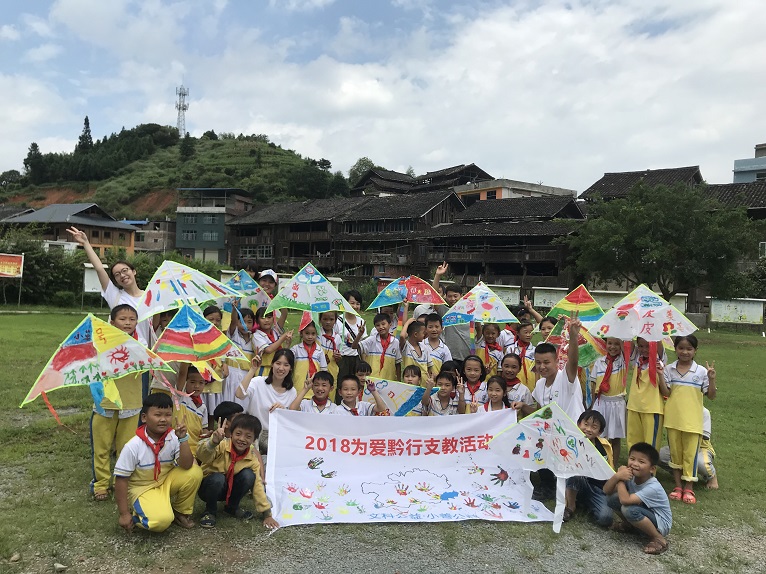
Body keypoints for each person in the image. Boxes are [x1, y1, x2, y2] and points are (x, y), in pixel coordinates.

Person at [113, 393, 203, 532]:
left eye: (168, 415)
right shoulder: (133, 445)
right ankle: (137, 514)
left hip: (164, 482)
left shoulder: (173, 437)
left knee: (195, 471)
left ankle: (179, 512)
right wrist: (124, 514)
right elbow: (121, 479)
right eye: (158, 415)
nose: (163, 419)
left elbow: (186, 465)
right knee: (161, 522)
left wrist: (183, 439)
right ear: (144, 417)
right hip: (142, 488)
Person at [523, 315, 584, 501]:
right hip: (552, 434)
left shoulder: (566, 378)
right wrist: (522, 406)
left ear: (557, 361)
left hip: (570, 434)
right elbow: (541, 414)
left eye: (546, 362)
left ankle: (569, 488)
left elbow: (573, 361)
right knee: (533, 438)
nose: (542, 366)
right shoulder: (540, 385)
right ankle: (548, 484)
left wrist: (573, 336)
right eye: (538, 362)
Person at [90, 304, 144, 501]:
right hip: (105, 403)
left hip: (131, 403)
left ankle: (120, 482)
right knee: (102, 448)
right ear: (112, 322)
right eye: (122, 319)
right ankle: (100, 484)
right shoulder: (101, 343)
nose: (128, 323)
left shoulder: (141, 343)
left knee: (126, 448)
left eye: (132, 319)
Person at [66, 227, 153, 347]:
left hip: (145, 350)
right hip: (120, 350)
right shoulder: (115, 296)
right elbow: (99, 269)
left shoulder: (150, 296)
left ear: (134, 271)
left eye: (125, 270)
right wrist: (86, 243)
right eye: (117, 274)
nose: (122, 275)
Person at [196, 414, 279, 530]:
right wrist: (212, 443)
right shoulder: (221, 444)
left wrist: (267, 514)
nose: (242, 439)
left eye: (248, 436)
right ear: (231, 433)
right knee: (218, 478)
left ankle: (232, 507)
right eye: (238, 434)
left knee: (249, 475)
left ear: (254, 440)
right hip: (209, 487)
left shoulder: (252, 458)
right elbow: (202, 456)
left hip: (229, 489)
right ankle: (209, 511)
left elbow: (258, 486)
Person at [663, 335, 716, 505]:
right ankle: (678, 486)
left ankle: (689, 487)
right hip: (673, 420)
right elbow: (666, 392)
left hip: (693, 422)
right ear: (675, 349)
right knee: (675, 454)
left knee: (690, 456)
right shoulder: (669, 369)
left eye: (689, 349)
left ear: (695, 351)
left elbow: (711, 396)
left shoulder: (701, 371)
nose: (685, 352)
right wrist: (659, 375)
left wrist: (712, 379)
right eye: (681, 348)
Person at [603, 442, 672, 555]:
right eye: (632, 459)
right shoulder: (631, 476)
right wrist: (617, 476)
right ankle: (629, 525)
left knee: (629, 509)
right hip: (644, 513)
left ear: (652, 469)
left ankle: (658, 538)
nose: (635, 464)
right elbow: (606, 490)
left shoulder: (653, 487)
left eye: (641, 462)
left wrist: (620, 479)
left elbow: (625, 500)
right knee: (612, 498)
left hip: (660, 524)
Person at [236, 349, 297, 454]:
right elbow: (239, 394)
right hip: (252, 434)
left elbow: (289, 421)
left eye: (286, 365)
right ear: (272, 364)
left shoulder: (292, 392)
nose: (281, 368)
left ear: (291, 368)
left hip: (275, 437)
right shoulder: (258, 382)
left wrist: (283, 411)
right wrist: (253, 369)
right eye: (278, 363)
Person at [563, 410, 614, 525]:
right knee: (575, 473)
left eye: (594, 427)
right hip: (577, 481)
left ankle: (586, 501)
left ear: (600, 432)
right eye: (586, 424)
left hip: (598, 487)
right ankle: (571, 507)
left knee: (606, 519)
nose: (588, 429)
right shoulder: (570, 441)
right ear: (578, 424)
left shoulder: (604, 446)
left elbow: (609, 470)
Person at [590, 336, 628, 466]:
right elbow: (593, 384)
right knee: (598, 435)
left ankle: (613, 465)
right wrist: (593, 404)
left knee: (615, 437)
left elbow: (627, 349)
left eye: (617, 344)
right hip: (601, 402)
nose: (613, 347)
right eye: (610, 343)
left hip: (617, 403)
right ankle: (599, 464)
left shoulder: (623, 361)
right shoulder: (599, 362)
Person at [659, 407, 718, 490]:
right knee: (658, 455)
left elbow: (704, 437)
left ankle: (712, 477)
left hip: (700, 448)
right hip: (679, 446)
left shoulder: (704, 412)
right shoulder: (676, 409)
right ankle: (682, 473)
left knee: (700, 464)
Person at [627, 337, 669, 451]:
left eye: (648, 346)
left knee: (650, 444)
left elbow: (657, 338)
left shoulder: (659, 358)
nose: (644, 349)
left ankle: (649, 463)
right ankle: (634, 462)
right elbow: (627, 339)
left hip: (652, 408)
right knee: (633, 440)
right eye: (641, 346)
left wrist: (651, 329)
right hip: (634, 406)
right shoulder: (637, 357)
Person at [431, 263, 471, 365]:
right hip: (450, 356)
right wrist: (438, 275)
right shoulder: (445, 311)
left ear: (461, 296)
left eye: (455, 296)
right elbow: (434, 296)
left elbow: (479, 331)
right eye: (449, 296)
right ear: (445, 297)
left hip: (468, 356)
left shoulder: (471, 311)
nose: (452, 299)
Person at [352, 313, 402, 381]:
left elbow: (398, 363)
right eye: (378, 325)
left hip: (389, 380)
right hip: (372, 380)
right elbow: (354, 346)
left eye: (383, 324)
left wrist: (399, 380)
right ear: (375, 327)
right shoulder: (371, 340)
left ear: (390, 324)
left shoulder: (395, 342)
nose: (381, 327)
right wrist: (360, 334)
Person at [174, 366, 209, 456]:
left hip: (196, 448)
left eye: (201, 383)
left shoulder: (203, 407)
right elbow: (182, 374)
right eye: (192, 382)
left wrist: (207, 435)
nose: (197, 386)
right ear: (186, 382)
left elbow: (204, 428)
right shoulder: (180, 397)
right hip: (179, 446)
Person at [201, 305, 228, 423]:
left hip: (216, 376)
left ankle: (211, 430)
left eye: (218, 320)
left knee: (213, 410)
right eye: (211, 319)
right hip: (201, 375)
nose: (214, 322)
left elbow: (223, 354)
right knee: (200, 407)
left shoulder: (221, 337)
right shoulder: (197, 336)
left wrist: (224, 364)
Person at [225, 308, 256, 406]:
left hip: (246, 376)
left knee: (244, 404)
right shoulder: (234, 335)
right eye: (242, 322)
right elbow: (233, 322)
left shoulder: (254, 339)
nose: (245, 325)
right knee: (230, 403)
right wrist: (234, 309)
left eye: (249, 322)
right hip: (231, 375)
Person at [291, 320, 329, 399]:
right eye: (307, 333)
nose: (310, 337)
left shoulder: (319, 350)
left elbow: (324, 370)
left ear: (316, 334)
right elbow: (286, 360)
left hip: (315, 389)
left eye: (313, 334)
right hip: (298, 386)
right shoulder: (296, 349)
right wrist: (288, 343)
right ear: (301, 333)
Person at [251, 307, 293, 378]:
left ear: (273, 318)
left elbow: (284, 315)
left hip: (278, 369)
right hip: (264, 370)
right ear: (257, 321)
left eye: (269, 317)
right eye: (263, 318)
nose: (266, 320)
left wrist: (283, 304)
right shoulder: (256, 335)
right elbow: (269, 350)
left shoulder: (275, 331)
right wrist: (283, 338)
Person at [335, 289, 367, 381]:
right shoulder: (337, 321)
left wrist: (364, 363)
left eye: (358, 304)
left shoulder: (361, 321)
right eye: (352, 303)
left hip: (356, 359)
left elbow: (363, 345)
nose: (355, 306)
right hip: (342, 359)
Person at [509, 321, 536, 392]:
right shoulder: (511, 349)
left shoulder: (535, 350)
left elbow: (537, 371)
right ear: (517, 333)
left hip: (531, 384)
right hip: (514, 384)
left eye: (531, 332)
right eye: (525, 332)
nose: (528, 335)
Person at [318, 311, 342, 386]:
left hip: (332, 370)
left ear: (335, 320)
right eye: (325, 319)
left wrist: (338, 357)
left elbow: (339, 359)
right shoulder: (317, 334)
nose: (328, 322)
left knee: (330, 389)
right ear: (320, 319)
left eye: (331, 319)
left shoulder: (337, 338)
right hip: (318, 369)